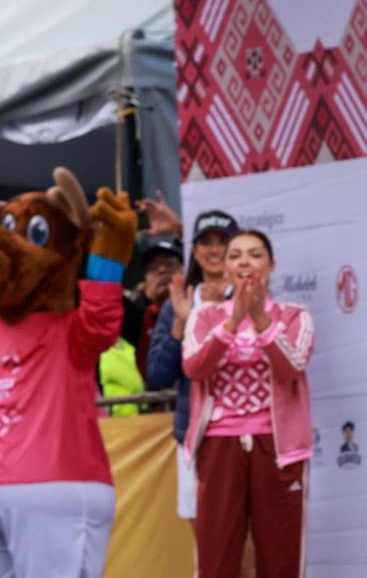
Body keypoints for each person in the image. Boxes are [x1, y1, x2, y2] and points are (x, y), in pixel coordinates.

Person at [183, 229, 314, 576]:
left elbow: (291, 367)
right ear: (225, 267)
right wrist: (232, 321)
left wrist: (259, 318)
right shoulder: (206, 316)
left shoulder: (294, 315)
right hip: (219, 445)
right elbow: (194, 367)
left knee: (280, 556)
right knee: (216, 556)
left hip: (278, 446)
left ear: (271, 265)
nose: (245, 262)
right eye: (235, 255)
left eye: (255, 255)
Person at [148, 209, 238, 522]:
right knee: (205, 546)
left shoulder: (252, 299)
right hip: (193, 437)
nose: (214, 251)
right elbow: (158, 375)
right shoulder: (178, 303)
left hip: (244, 436)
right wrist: (180, 327)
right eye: (206, 243)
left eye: (222, 242)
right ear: (194, 251)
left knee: (248, 547)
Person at [123, 236, 184, 377]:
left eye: (170, 263)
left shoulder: (202, 305)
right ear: (144, 282)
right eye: (153, 268)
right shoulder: (137, 317)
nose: (162, 270)